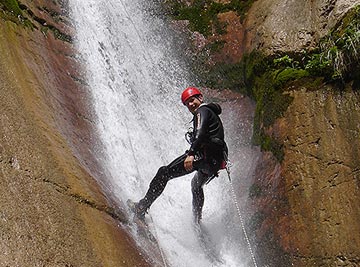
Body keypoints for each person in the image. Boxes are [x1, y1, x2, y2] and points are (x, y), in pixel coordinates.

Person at [129, 87, 228, 224]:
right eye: (187, 103)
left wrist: (192, 153)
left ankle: (141, 207)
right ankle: (196, 223)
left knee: (164, 172)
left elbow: (200, 133)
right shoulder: (210, 112)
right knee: (196, 186)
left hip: (202, 156)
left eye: (192, 100)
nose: (190, 104)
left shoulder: (202, 111)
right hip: (213, 164)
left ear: (200, 98)